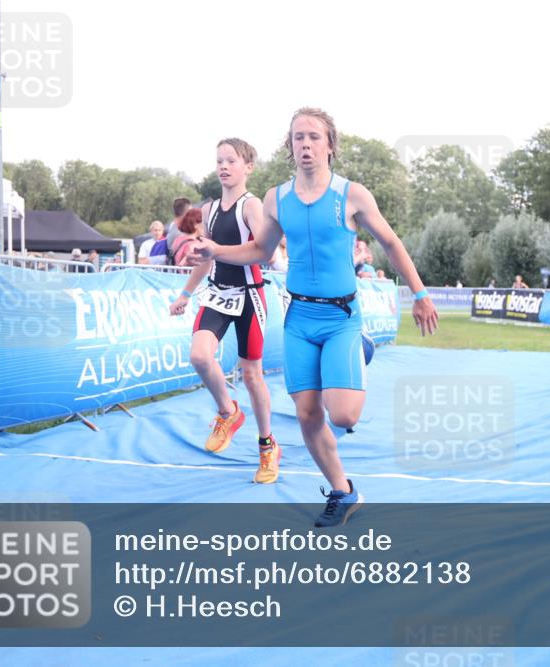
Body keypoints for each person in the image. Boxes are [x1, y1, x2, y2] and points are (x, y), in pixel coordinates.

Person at [191, 107, 438, 527]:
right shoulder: (277, 198)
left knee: (342, 415)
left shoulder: (352, 195)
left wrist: (420, 293)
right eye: (297, 137)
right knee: (307, 415)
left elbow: (391, 243)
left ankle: (360, 350)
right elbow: (261, 252)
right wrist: (217, 251)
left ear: (330, 144)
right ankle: (343, 493)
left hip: (341, 317)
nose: (305, 144)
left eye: (313, 137)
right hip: (299, 318)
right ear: (289, 147)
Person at [169, 138, 278, 484]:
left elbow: (264, 252)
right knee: (200, 356)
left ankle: (267, 446)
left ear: (248, 167)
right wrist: (185, 294)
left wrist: (217, 249)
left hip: (249, 295)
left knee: (251, 375)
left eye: (231, 160)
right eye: (219, 160)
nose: (224, 166)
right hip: (217, 293)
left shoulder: (252, 205)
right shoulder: (210, 208)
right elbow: (207, 256)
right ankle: (228, 412)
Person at [164, 197, 192, 263]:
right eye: (191, 211)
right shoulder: (179, 232)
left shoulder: (172, 227)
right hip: (181, 270)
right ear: (186, 212)